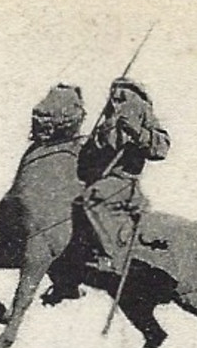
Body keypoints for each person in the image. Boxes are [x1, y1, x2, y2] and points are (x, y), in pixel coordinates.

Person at [73, 79, 170, 274]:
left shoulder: (142, 113)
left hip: (123, 182)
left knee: (94, 198)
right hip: (99, 178)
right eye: (114, 97)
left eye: (123, 97)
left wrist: (137, 133)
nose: (117, 101)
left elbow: (161, 147)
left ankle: (111, 257)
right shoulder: (105, 123)